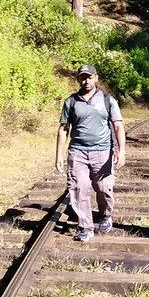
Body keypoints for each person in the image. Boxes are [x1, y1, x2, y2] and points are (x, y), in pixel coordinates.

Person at [56, 64, 126, 242]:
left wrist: (121, 151)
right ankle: (86, 227)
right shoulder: (71, 101)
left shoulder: (108, 100)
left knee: (103, 188)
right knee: (79, 188)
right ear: (78, 79)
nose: (86, 81)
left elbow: (118, 126)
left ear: (96, 78)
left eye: (89, 77)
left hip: (102, 152)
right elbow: (63, 129)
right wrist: (59, 155)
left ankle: (105, 215)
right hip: (77, 152)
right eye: (83, 77)